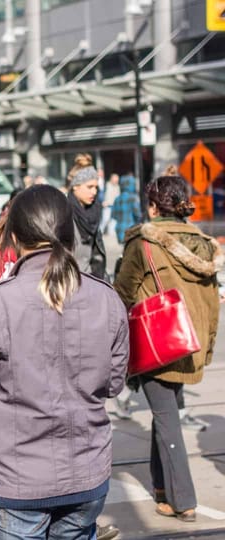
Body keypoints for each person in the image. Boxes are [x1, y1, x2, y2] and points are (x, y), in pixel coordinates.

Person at [0, 185, 129, 540]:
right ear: (70, 232)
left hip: (18, 479)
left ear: (13, 237)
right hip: (86, 472)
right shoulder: (105, 297)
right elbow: (114, 382)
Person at [113, 174, 221, 523]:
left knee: (166, 418)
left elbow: (121, 294)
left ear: (153, 206)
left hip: (158, 343)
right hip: (190, 342)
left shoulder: (143, 243)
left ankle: (183, 499)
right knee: (167, 412)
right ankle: (161, 488)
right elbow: (212, 302)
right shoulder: (205, 244)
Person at [66, 154, 107, 278]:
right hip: (70, 283)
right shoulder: (63, 214)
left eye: (96, 187)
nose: (94, 192)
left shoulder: (94, 212)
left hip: (93, 280)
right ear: (75, 186)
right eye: (89, 187)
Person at [112, 174, 142, 244]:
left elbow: (113, 215)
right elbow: (138, 214)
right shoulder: (133, 198)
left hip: (119, 229)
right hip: (131, 229)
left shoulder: (117, 199)